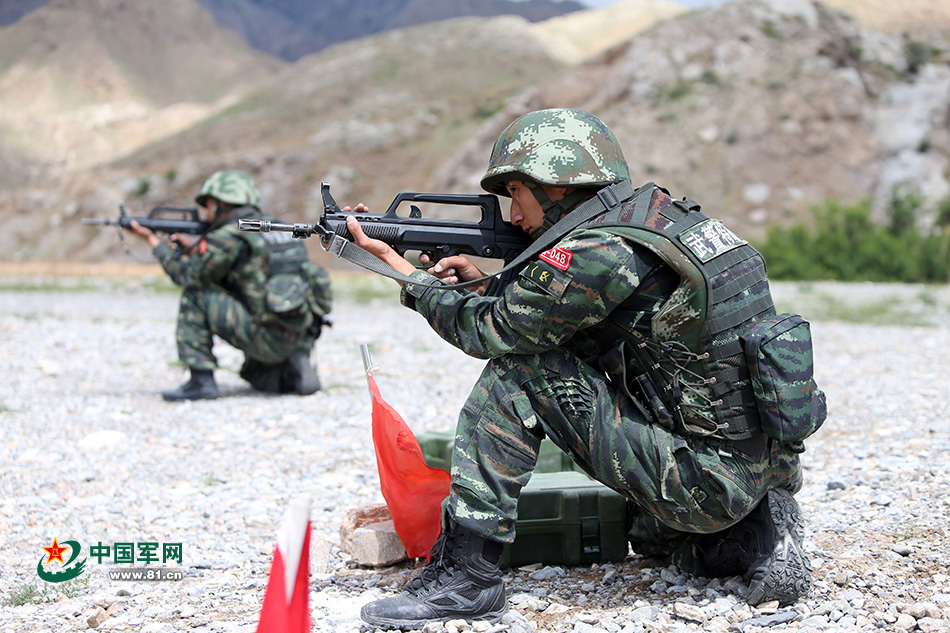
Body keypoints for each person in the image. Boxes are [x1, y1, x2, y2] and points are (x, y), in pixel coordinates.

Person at [347, 109, 826, 629]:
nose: (512, 216)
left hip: (701, 480)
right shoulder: (666, 223)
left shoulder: (601, 249)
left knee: (521, 371)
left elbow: (491, 334)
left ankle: (467, 578)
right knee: (649, 538)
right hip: (755, 466)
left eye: (517, 193)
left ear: (554, 185)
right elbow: (576, 318)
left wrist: (401, 272)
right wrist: (485, 287)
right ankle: (754, 530)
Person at [128, 170, 332, 401]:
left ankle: (201, 381)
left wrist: (152, 241)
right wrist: (195, 251)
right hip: (299, 332)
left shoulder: (229, 235)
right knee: (253, 375)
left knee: (197, 293)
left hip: (265, 336)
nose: (207, 212)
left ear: (221, 202)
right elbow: (251, 269)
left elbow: (187, 276)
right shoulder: (280, 228)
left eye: (209, 204)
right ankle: (290, 369)